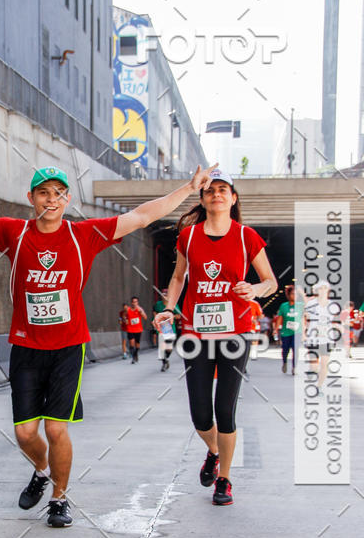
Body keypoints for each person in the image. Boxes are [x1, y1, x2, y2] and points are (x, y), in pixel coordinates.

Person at [0, 163, 218, 526]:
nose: (51, 200)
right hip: (26, 346)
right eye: (43, 193)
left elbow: (140, 216)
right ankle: (41, 471)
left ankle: (59, 497)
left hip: (68, 347)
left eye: (58, 194)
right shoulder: (14, 232)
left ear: (67, 199)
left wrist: (186, 188)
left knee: (56, 428)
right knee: (25, 434)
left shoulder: (83, 235)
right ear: (31, 198)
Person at [155, 167, 277, 507]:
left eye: (224, 189)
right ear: (203, 198)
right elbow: (178, 278)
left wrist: (253, 289)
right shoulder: (189, 237)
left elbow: (271, 282)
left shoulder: (246, 237)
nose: (217, 194)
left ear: (233, 198)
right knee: (199, 413)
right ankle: (213, 451)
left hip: (235, 332)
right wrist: (169, 306)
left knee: (225, 409)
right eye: (211, 190)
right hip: (195, 331)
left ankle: (224, 479)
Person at [274, 285, 303, 374]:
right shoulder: (284, 306)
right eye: (292, 294)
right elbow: (279, 318)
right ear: (288, 295)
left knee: (295, 349)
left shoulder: (300, 305)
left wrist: (304, 331)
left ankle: (294, 367)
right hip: (286, 332)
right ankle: (285, 362)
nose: (294, 296)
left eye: (296, 294)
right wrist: (276, 329)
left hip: (297, 331)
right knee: (285, 350)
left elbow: (303, 318)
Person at [126, 296, 147, 363]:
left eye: (136, 302)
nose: (134, 303)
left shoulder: (139, 309)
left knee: (137, 344)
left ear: (137, 302)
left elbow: (145, 317)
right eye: (133, 302)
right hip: (130, 329)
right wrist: (124, 320)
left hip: (138, 329)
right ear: (131, 303)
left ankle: (136, 354)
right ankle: (133, 357)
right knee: (132, 343)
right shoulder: (128, 309)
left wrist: (141, 312)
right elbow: (123, 316)